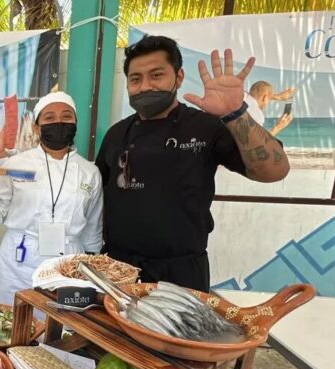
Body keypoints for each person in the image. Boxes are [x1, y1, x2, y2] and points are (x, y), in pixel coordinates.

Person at [96, 35, 290, 293]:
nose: (145, 87)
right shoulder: (116, 134)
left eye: (156, 75)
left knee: (178, 335)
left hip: (181, 275)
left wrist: (235, 113)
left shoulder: (206, 127)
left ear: (178, 77)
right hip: (118, 270)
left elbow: (274, 171)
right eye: (135, 79)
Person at [0, 91, 104, 306]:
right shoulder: (16, 164)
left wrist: (89, 275)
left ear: (75, 123)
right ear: (36, 127)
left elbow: (93, 230)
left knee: (59, 331)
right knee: (11, 322)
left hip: (68, 262)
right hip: (20, 259)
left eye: (66, 116)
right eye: (49, 118)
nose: (59, 122)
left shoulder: (89, 171)